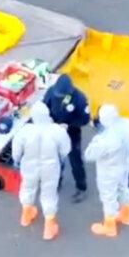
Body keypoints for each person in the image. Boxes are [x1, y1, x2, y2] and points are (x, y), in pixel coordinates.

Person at [12, 101, 71, 240]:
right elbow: (65, 150)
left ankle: (26, 215)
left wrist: (17, 160)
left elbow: (16, 152)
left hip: (30, 166)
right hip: (50, 168)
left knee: (27, 188)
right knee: (49, 194)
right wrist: (60, 158)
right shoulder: (57, 131)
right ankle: (49, 227)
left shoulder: (25, 131)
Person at [84, 104, 129, 237]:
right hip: (124, 164)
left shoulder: (103, 140)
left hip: (108, 171)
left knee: (108, 197)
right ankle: (126, 215)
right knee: (123, 187)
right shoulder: (127, 124)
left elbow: (89, 155)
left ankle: (110, 226)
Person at [42, 74, 90, 202]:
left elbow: (84, 120)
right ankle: (57, 181)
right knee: (54, 159)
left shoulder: (80, 99)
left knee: (75, 161)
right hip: (54, 131)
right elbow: (44, 108)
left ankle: (81, 187)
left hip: (71, 133)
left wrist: (68, 125)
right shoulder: (52, 92)